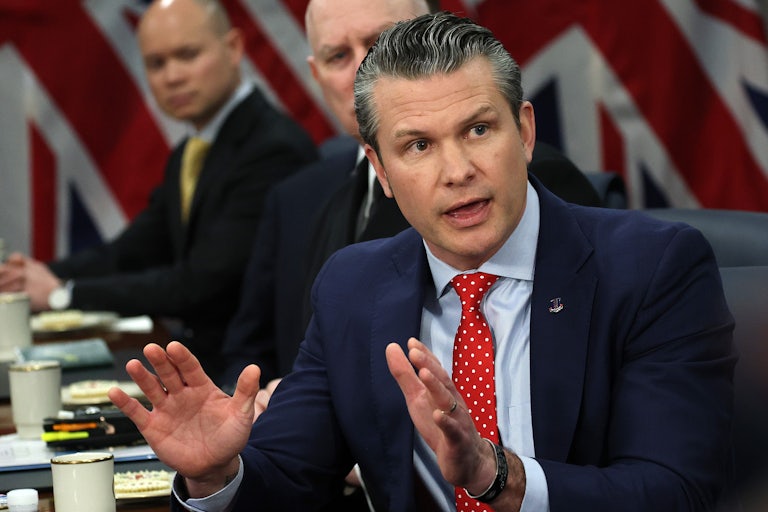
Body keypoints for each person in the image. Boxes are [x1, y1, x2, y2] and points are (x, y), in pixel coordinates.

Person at [110, 12, 735, 512]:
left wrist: (498, 476)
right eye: (417, 146)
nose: (457, 171)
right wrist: (218, 475)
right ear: (380, 170)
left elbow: (674, 492)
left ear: (524, 132)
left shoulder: (653, 268)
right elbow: (287, 480)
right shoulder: (352, 287)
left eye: (478, 130)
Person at [219, 0, 600, 387]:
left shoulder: (528, 179)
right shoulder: (306, 195)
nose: (362, 69)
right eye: (338, 56)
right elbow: (261, 353)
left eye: (380, 43)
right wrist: (275, 401)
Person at [0, 0, 317, 376]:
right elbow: (133, 251)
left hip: (250, 376)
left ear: (233, 48)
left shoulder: (272, 149)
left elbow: (199, 286)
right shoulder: (191, 151)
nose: (172, 77)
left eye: (187, 55)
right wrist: (34, 276)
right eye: (156, 63)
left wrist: (62, 294)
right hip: (198, 363)